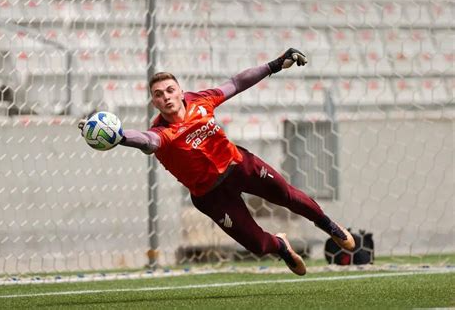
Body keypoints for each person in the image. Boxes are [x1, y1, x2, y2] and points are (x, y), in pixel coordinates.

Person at [79, 48, 355, 276]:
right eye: (158, 95)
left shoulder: (201, 101)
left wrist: (274, 65)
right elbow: (146, 140)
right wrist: (118, 136)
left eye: (169, 90)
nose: (166, 97)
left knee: (286, 195)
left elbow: (236, 84)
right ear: (154, 103)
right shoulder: (161, 132)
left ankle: (329, 226)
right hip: (211, 196)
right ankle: (280, 246)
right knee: (257, 245)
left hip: (239, 166)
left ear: (180, 91)